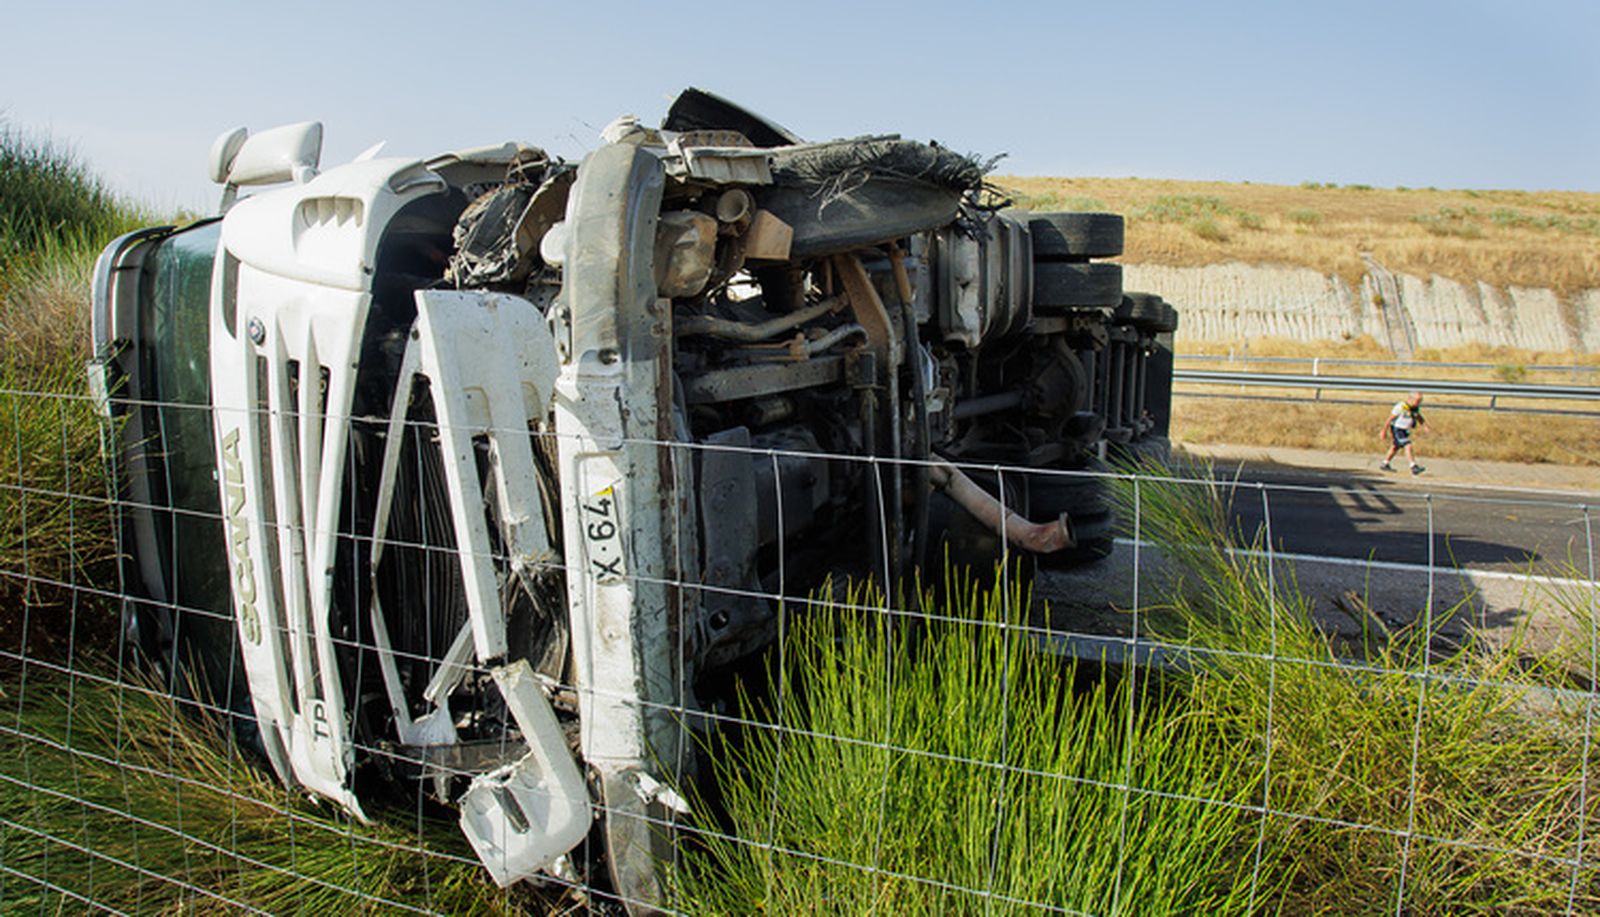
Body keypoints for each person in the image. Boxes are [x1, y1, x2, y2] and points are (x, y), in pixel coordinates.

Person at [1379, 391, 1428, 474]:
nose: (1418, 403)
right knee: (1408, 445)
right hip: (1398, 429)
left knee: (1395, 447)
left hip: (1405, 430)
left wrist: (1424, 426)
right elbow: (1389, 419)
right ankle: (1413, 466)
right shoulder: (1401, 407)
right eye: (1417, 401)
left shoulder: (1415, 408)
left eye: (1420, 401)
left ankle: (1385, 463)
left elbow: (1419, 417)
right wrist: (1384, 431)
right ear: (1410, 399)